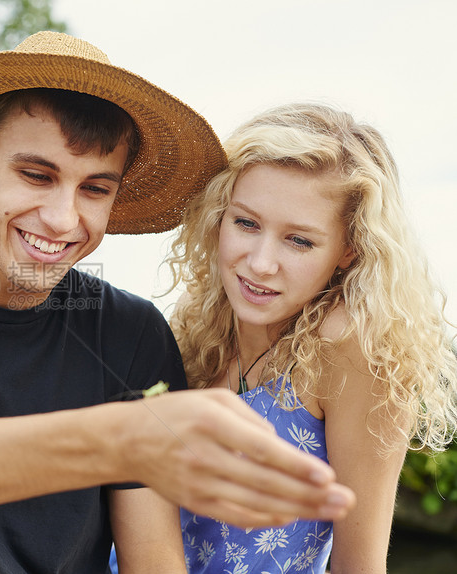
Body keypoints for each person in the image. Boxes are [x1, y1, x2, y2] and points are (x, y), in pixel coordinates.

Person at [0, 32, 355, 573]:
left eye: (95, 188)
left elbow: (152, 561)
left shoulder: (131, 331)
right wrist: (118, 440)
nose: (64, 219)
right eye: (36, 175)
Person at [163, 102, 457, 573]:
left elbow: (357, 566)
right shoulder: (198, 326)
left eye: (299, 241)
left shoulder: (350, 347)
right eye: (246, 223)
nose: (260, 262)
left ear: (349, 249)